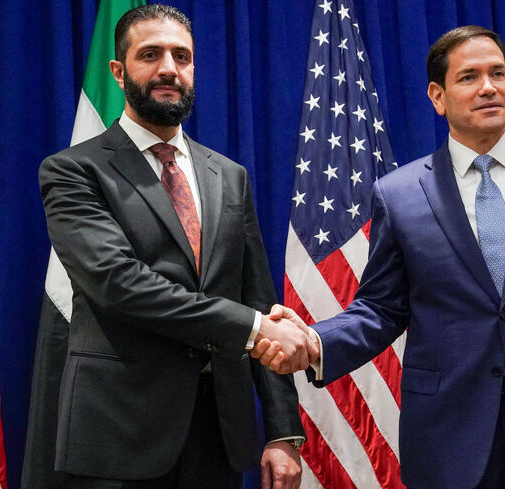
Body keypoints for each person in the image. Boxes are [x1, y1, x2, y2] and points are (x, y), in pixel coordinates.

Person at [256, 26, 505, 489]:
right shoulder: (398, 195)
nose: (489, 87)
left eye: (498, 73)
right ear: (437, 96)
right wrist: (315, 341)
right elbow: (381, 309)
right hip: (448, 435)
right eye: (469, 77)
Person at [38, 5, 316, 488]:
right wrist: (254, 329)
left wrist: (283, 432)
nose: (169, 68)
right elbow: (118, 283)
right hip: (121, 432)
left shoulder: (229, 175)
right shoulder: (73, 170)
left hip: (220, 434)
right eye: (151, 55)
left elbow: (257, 295)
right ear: (119, 72)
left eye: (181, 56)